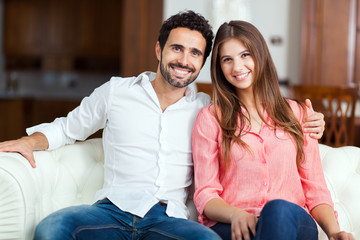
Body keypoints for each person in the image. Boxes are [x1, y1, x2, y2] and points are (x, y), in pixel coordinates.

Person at [0, 11, 324, 240]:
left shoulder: (207, 111)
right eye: (177, 48)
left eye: (195, 53)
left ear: (202, 63)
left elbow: (256, 127)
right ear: (159, 50)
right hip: (110, 210)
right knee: (51, 229)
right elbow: (68, 128)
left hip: (170, 221)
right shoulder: (116, 92)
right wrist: (30, 141)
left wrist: (307, 121)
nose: (184, 59)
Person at [191, 21, 354, 240]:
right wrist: (236, 214)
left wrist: (334, 231)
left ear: (260, 54)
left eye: (245, 55)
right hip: (235, 225)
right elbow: (205, 194)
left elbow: (315, 189)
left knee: (277, 210)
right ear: (219, 67)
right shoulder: (210, 119)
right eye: (227, 60)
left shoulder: (297, 114)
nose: (237, 67)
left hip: (293, 221)